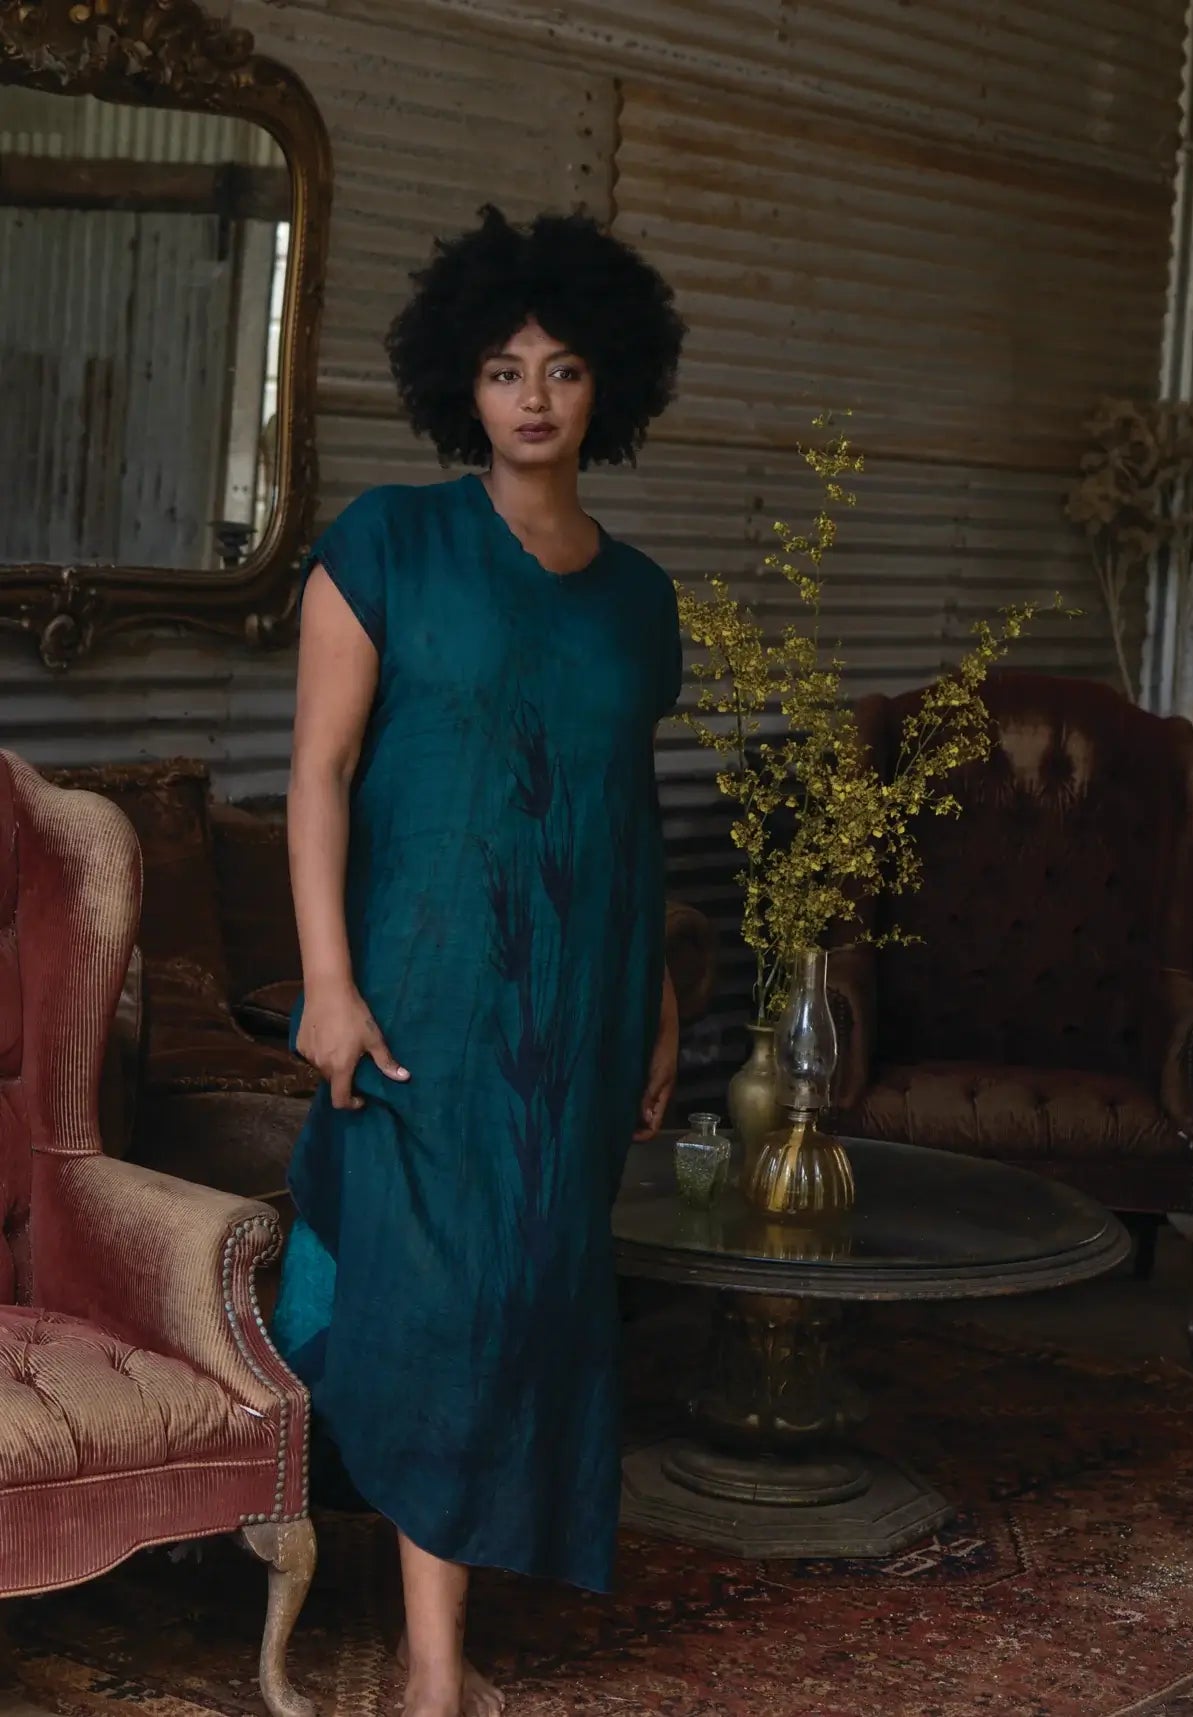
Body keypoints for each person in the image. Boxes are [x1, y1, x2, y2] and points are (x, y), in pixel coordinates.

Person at [271, 204, 687, 1717]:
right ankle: (434, 1672)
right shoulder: (387, 545)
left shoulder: (642, 605)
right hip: (415, 1007)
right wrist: (327, 979)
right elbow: (316, 774)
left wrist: (650, 1002)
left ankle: (442, 1633)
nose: (532, 395)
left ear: (607, 390)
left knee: (533, 1307)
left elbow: (626, 811)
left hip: (572, 1016)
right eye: (506, 366)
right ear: (463, 381)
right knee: (430, 1310)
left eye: (565, 368)